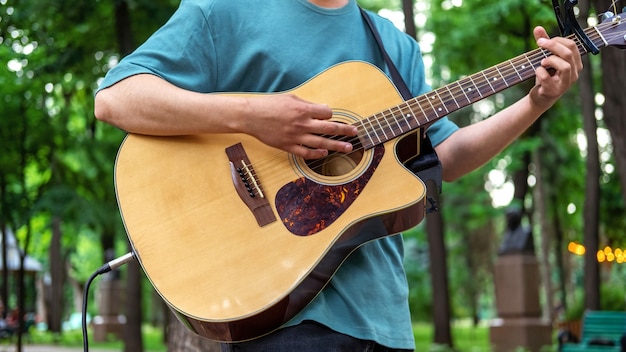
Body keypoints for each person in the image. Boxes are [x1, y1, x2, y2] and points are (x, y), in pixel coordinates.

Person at [94, 0, 582, 351]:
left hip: (385, 320)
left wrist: (536, 101)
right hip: (283, 315)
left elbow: (447, 155)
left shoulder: (391, 44)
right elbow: (116, 99)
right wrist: (251, 115)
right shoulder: (224, 10)